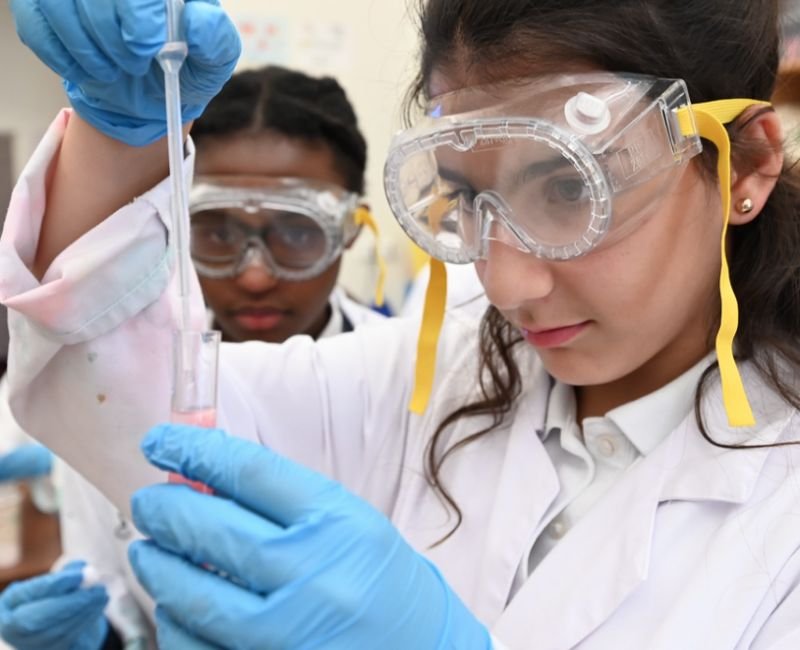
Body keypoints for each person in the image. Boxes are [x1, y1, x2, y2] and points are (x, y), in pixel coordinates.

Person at [2, 0, 800, 648]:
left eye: (567, 189)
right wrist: (116, 139)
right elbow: (114, 402)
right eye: (466, 198)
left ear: (751, 165)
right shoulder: (432, 375)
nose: (506, 283)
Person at [0, 45, 383, 650]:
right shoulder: (102, 389)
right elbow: (112, 589)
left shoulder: (411, 384)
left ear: (351, 230)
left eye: (296, 232)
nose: (254, 275)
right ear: (176, 226)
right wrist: (97, 636)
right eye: (215, 231)